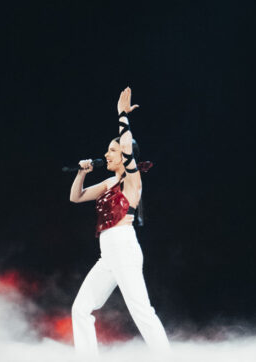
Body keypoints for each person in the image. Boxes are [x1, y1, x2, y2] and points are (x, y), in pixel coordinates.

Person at [69, 87, 170, 355]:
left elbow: (127, 148)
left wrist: (122, 115)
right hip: (108, 254)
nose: (108, 154)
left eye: (112, 150)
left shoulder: (132, 179)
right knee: (80, 308)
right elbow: (76, 197)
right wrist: (81, 173)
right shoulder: (108, 183)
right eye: (108, 151)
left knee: (141, 311)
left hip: (124, 247)